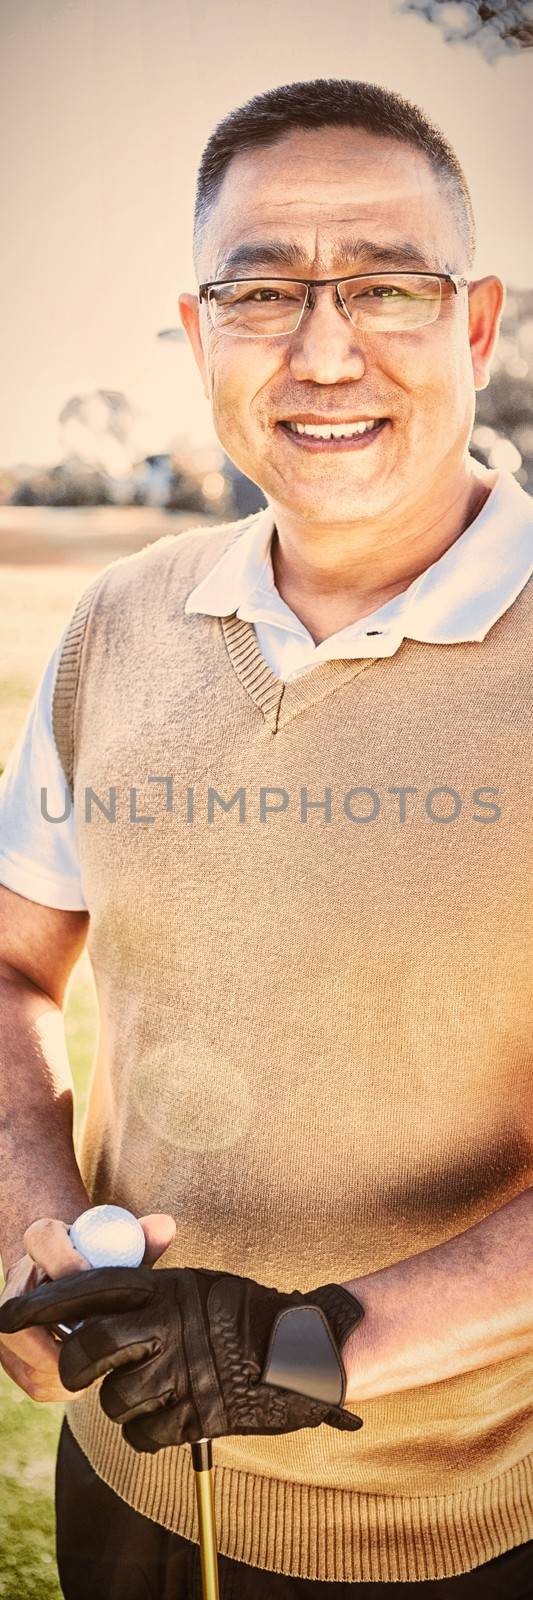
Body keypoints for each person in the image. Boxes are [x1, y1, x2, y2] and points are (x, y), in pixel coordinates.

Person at [0, 77, 532, 1599]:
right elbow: (14, 968)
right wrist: (44, 1222)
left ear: (474, 325)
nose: (320, 349)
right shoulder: (114, 623)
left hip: (460, 1532)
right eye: (260, 292)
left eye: (383, 284)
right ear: (198, 331)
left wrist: (307, 1345)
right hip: (125, 1478)